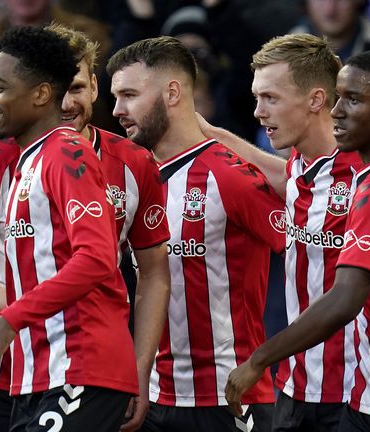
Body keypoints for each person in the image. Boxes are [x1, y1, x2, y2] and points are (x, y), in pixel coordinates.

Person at [199, 34, 370, 431]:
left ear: (315, 100)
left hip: (358, 389)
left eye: (270, 98)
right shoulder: (299, 157)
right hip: (298, 384)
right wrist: (211, 133)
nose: (258, 112)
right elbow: (288, 178)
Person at [0, 23, 171, 432]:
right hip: (24, 365)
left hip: (77, 360)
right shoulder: (18, 158)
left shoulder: (67, 148)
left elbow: (100, 260)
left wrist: (11, 319)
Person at [107, 35, 286, 432]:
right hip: (149, 396)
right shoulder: (129, 177)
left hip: (227, 400)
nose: (117, 110)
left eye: (130, 95)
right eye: (116, 97)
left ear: (173, 92)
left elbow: (312, 254)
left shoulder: (230, 176)